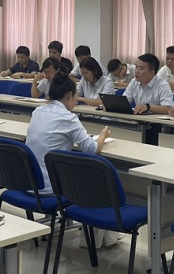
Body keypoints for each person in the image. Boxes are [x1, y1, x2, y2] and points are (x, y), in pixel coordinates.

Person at [26, 73, 114, 247]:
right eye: (75, 96)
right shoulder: (68, 117)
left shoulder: (38, 111)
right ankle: (91, 241)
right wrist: (103, 136)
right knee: (101, 180)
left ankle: (108, 238)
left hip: (30, 183)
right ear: (69, 95)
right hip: (51, 188)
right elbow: (91, 149)